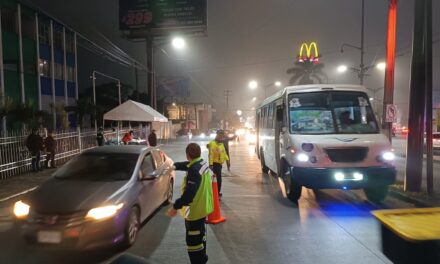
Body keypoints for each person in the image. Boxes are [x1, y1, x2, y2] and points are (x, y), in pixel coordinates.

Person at [166, 143, 214, 264]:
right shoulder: (202, 163)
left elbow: (189, 195)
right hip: (204, 208)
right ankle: (203, 258)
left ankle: (198, 261)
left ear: (188, 155)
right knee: (201, 236)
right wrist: (174, 166)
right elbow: (188, 165)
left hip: (195, 212)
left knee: (193, 243)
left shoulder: (194, 170)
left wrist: (175, 207)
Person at [207, 130, 229, 196]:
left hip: (219, 164)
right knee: (218, 180)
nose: (223, 138)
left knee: (217, 180)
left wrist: (227, 159)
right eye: (222, 137)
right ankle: (216, 193)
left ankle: (216, 192)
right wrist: (211, 164)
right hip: (214, 164)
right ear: (218, 135)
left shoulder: (221, 144)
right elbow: (211, 154)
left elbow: (223, 152)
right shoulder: (213, 144)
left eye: (223, 137)